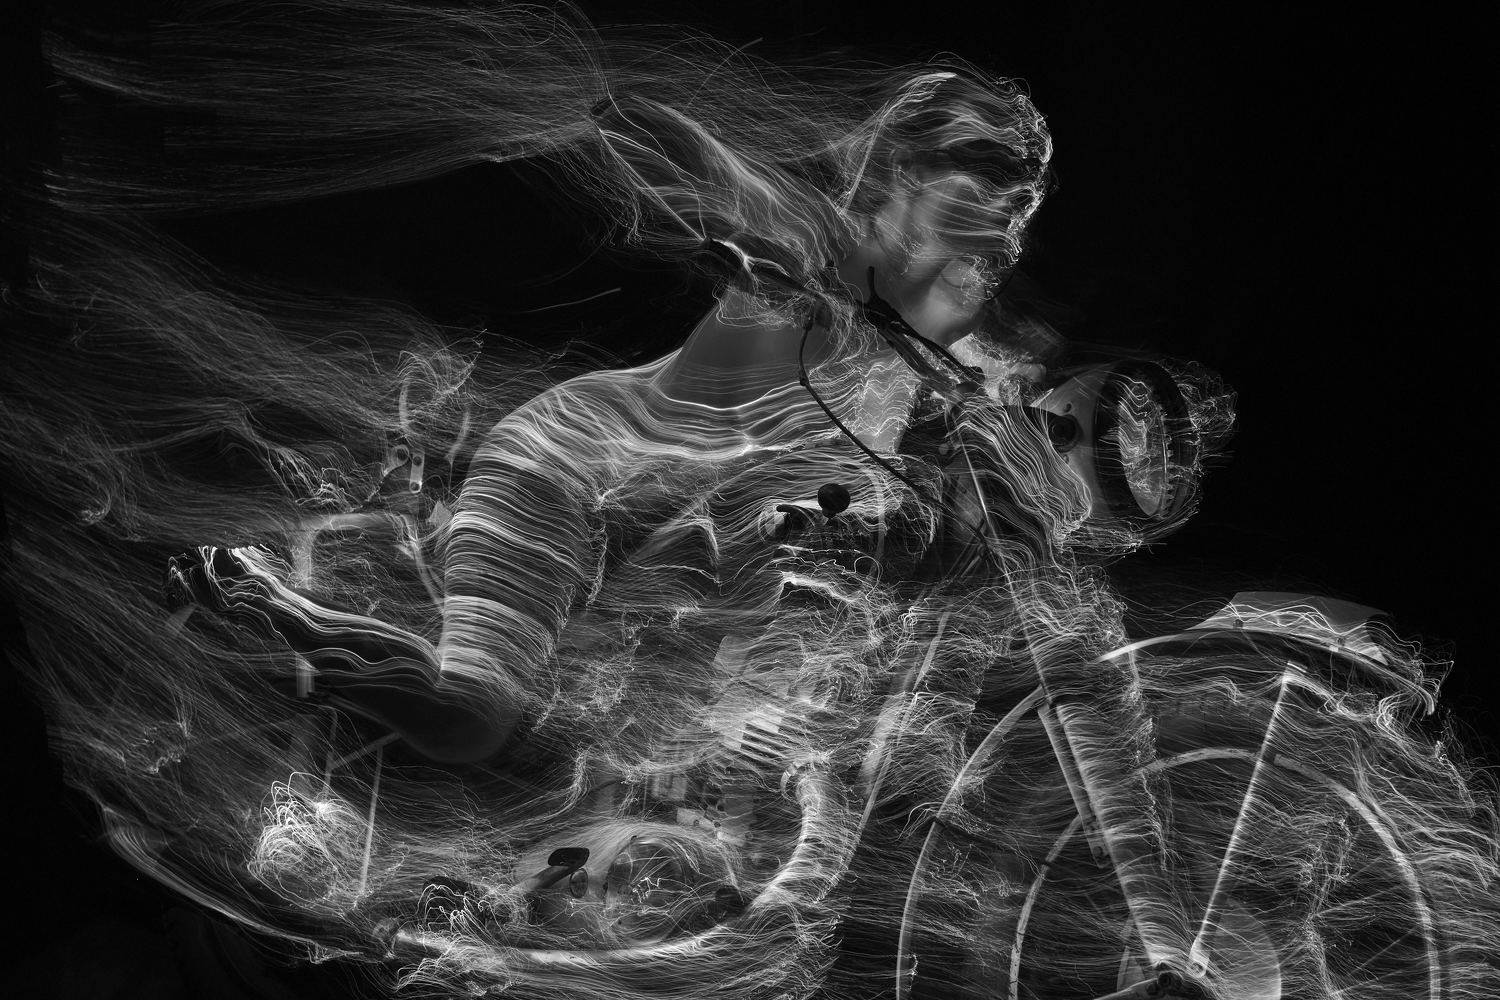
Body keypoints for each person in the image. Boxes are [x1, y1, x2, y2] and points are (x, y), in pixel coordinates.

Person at [171, 69, 1061, 765]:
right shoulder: (812, 245)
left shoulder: (947, 336)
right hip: (567, 468)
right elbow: (648, 134)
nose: (1002, 228)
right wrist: (715, 194)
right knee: (469, 721)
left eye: (1017, 206)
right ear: (905, 178)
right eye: (978, 194)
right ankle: (261, 599)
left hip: (671, 548)